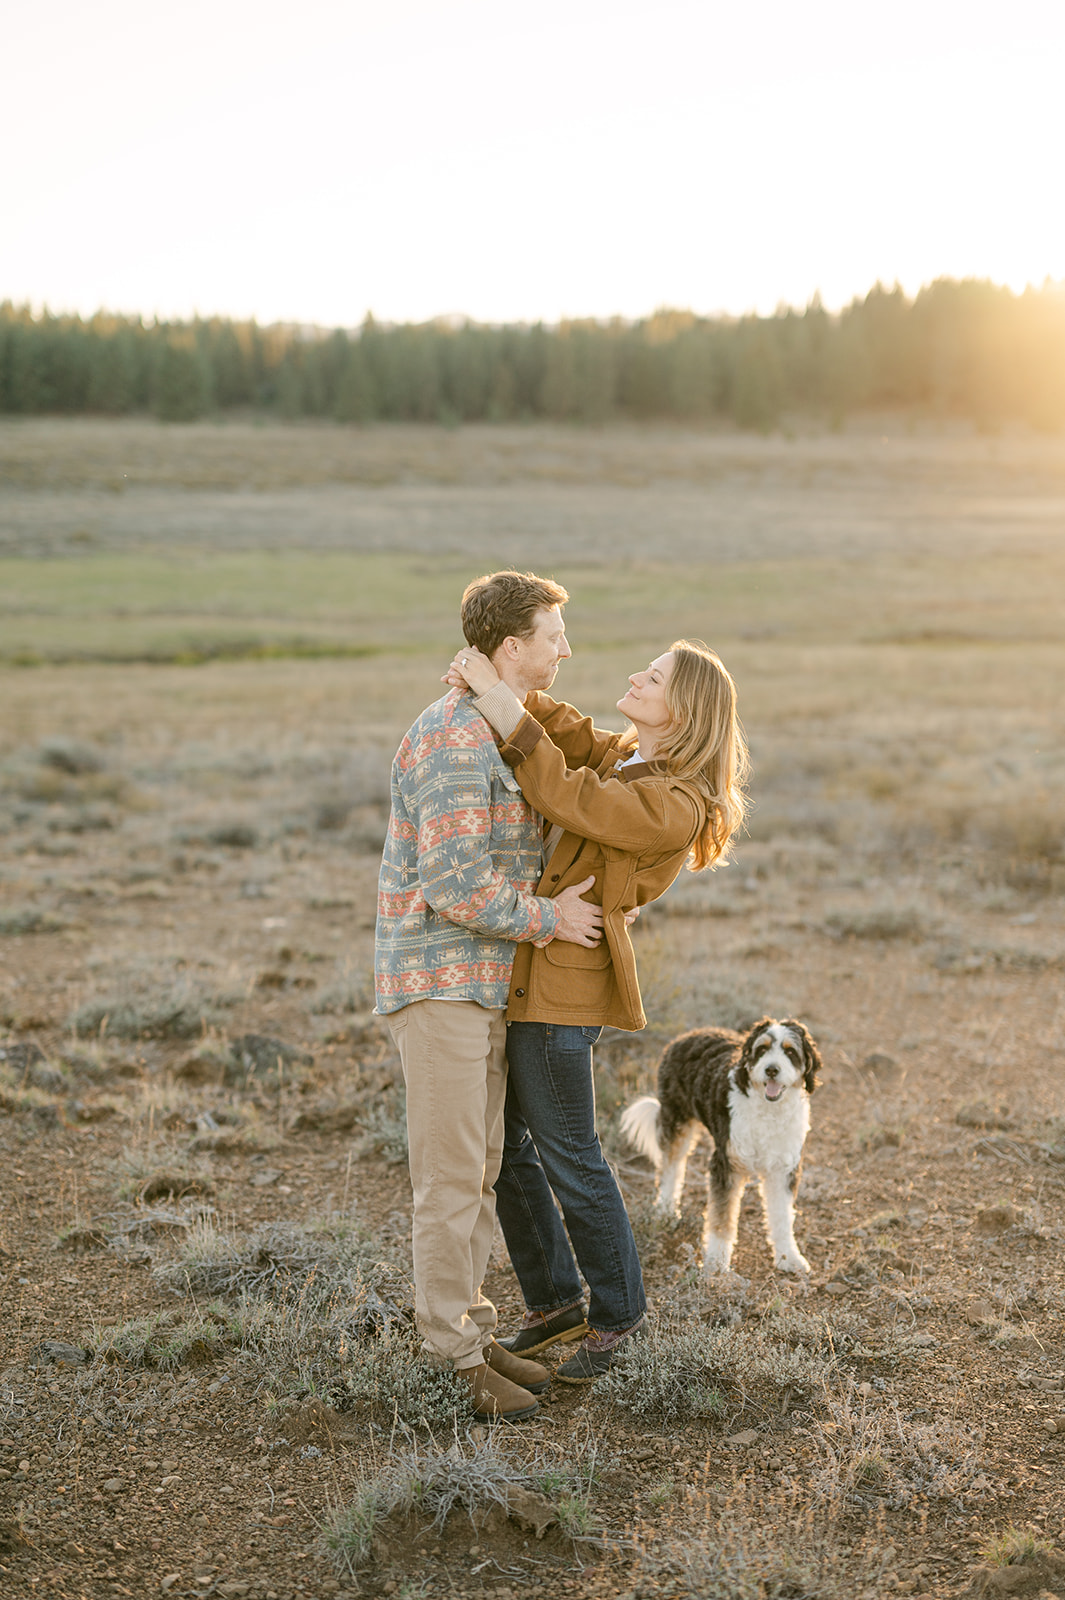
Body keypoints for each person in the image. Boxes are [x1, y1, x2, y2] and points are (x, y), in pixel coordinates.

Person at [446, 637, 749, 1381]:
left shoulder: (674, 802)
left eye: (654, 678)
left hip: (565, 989)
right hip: (533, 970)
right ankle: (555, 1303)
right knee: (508, 1149)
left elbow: (566, 793)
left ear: (685, 712)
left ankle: (620, 1317)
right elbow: (570, 731)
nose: (635, 677)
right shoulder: (631, 757)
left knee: (571, 1158)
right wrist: (504, 673)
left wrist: (497, 699)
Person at [374, 570, 607, 1422]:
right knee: (449, 1179)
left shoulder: (497, 726)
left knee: (478, 1172)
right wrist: (553, 919)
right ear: (512, 647)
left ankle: (469, 1330)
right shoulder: (450, 739)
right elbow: (454, 887)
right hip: (440, 984)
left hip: (480, 986)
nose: (565, 649)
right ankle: (450, 1357)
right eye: (553, 636)